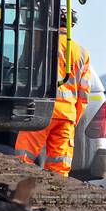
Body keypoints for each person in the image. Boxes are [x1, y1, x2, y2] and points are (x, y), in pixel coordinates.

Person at [15, 10, 90, 176]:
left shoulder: (40, 43)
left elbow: (24, 71)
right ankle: (57, 197)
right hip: (66, 117)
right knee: (59, 167)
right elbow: (84, 94)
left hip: (41, 110)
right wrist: (73, 118)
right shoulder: (82, 53)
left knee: (22, 161)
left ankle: (18, 195)